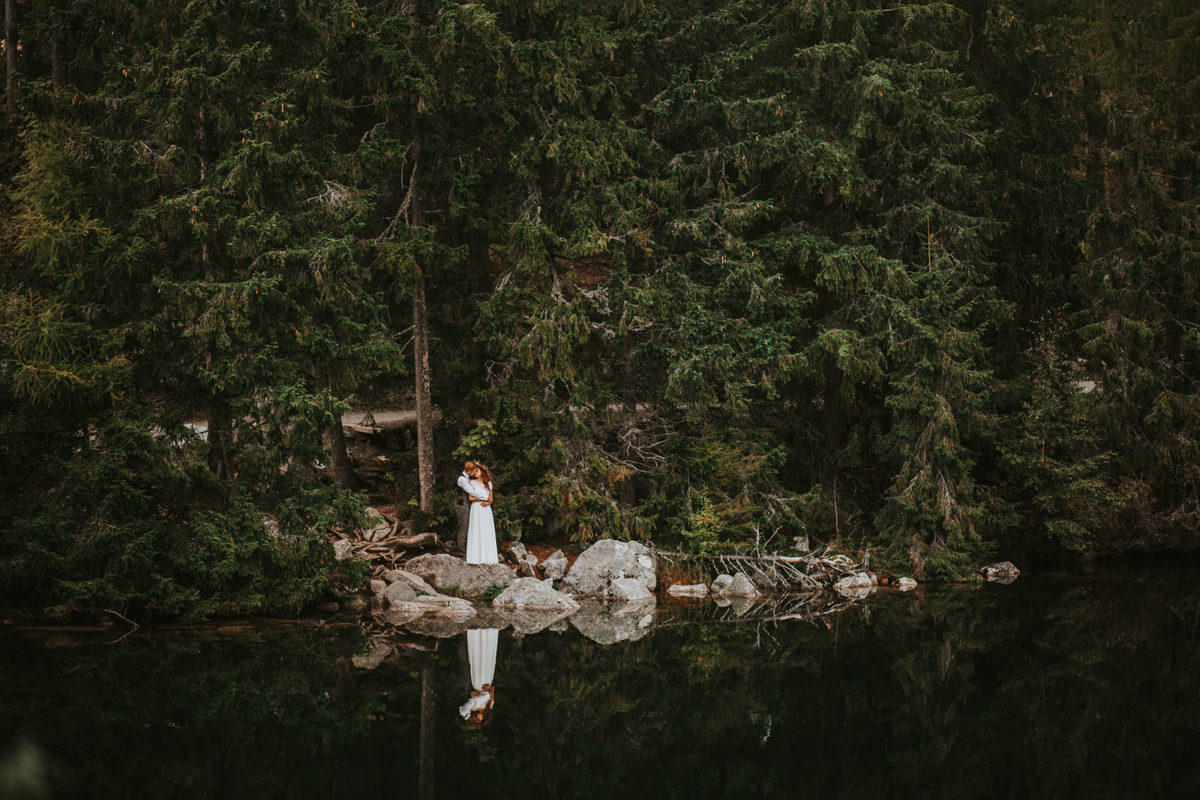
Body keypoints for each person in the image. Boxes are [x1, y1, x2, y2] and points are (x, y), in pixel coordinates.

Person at [456, 460, 497, 564]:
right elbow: (471, 495)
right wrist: (484, 498)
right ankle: (465, 554)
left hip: (485, 509)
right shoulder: (466, 480)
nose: (475, 473)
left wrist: (488, 502)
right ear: (469, 471)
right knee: (470, 529)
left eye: (477, 470)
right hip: (471, 507)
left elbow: (491, 499)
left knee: (486, 531)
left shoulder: (488, 483)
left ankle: (487, 555)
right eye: (474, 471)